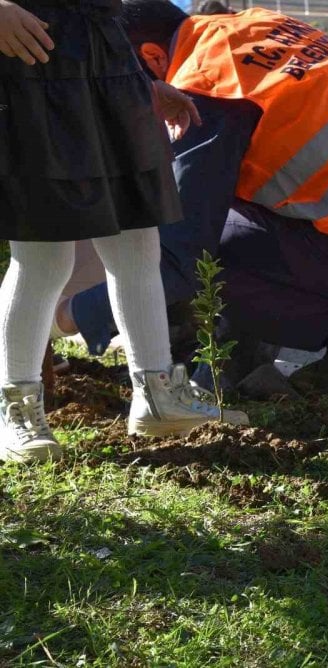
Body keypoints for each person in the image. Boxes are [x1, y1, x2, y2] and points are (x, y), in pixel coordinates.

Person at [51, 0, 328, 396]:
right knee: (212, 214)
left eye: (122, 80)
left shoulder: (204, 84)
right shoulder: (254, 25)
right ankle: (240, 354)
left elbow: (177, 260)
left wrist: (64, 317)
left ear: (153, 58)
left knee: (198, 249)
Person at [0, 0, 247, 462]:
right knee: (44, 257)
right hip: (27, 73)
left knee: (138, 242)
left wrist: (141, 84)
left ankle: (157, 398)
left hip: (109, 72)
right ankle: (15, 410)